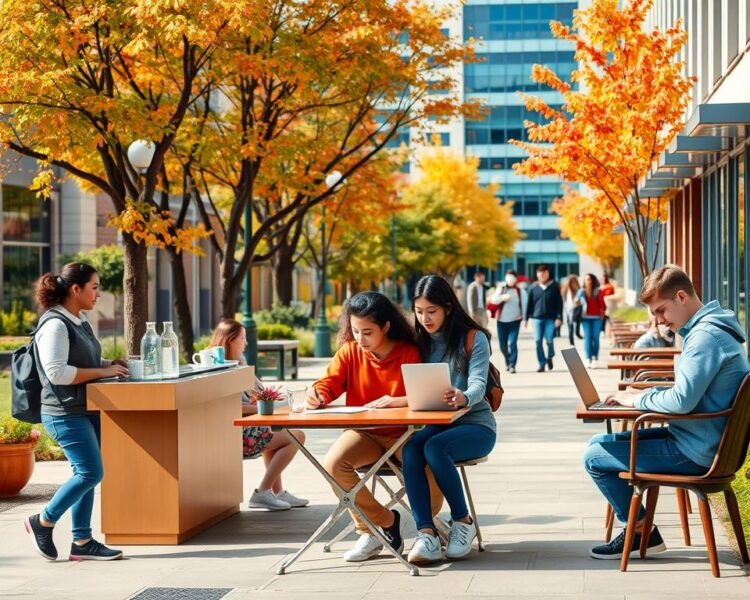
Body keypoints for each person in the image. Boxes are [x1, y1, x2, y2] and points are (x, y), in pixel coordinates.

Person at [583, 264, 750, 560]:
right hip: (701, 439)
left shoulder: (704, 338)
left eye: (661, 310)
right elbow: (689, 393)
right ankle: (643, 531)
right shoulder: (712, 329)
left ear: (682, 297)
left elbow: (682, 401)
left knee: (593, 457)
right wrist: (643, 395)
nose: (659, 322)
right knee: (598, 443)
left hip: (696, 451)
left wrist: (637, 399)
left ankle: (640, 533)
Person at [306, 292, 444, 562]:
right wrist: (317, 394)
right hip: (365, 434)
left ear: (386, 327)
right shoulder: (349, 352)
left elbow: (427, 395)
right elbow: (328, 383)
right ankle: (375, 527)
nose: (359, 339)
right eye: (355, 331)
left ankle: (425, 532)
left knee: (431, 487)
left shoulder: (410, 352)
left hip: (408, 435)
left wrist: (400, 402)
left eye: (367, 332)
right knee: (334, 464)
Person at [370, 275, 497, 563]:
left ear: (448, 308)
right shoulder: (419, 342)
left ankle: (462, 522)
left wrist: (464, 396)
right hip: (438, 423)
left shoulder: (473, 338)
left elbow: (478, 382)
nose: (425, 318)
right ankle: (425, 533)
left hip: (475, 426)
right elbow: (421, 389)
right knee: (413, 447)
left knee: (434, 448)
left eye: (431, 311)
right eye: (418, 311)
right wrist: (398, 400)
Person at [24, 263, 127, 562]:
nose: (98, 294)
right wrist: (102, 371)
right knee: (90, 472)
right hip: (63, 413)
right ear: (75, 289)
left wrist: (112, 365)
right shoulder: (55, 324)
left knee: (87, 475)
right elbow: (57, 372)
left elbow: (86, 359)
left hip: (85, 407)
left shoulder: (78, 320)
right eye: (94, 287)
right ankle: (42, 520)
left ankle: (82, 541)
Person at [209, 319, 308, 511]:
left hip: (246, 428)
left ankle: (276, 492)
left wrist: (270, 397)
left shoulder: (239, 363)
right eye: (242, 338)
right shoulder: (219, 367)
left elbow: (257, 393)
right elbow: (226, 405)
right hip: (234, 433)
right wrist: (261, 408)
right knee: (297, 436)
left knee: (277, 431)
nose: (246, 343)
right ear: (230, 340)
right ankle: (263, 492)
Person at [525, 264, 563, 372]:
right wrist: (526, 318)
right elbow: (529, 303)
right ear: (537, 275)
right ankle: (542, 363)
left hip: (550, 319)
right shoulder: (533, 287)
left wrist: (559, 317)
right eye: (541, 274)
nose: (543, 276)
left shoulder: (554, 286)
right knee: (538, 341)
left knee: (549, 340)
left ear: (547, 274)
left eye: (545, 274)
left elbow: (559, 303)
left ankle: (550, 356)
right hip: (537, 318)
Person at [490, 269, 527, 374]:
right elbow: (493, 300)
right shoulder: (501, 289)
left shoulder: (521, 291)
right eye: (508, 277)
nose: (510, 279)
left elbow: (524, 305)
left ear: (516, 279)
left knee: (512, 343)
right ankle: (507, 360)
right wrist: (503, 297)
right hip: (501, 321)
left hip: (515, 321)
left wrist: (525, 319)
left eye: (512, 277)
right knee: (503, 345)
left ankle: (512, 365)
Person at [577, 274, 607, 368]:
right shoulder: (581, 292)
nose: (588, 281)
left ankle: (594, 358)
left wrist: (601, 313)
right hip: (585, 318)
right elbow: (576, 302)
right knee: (587, 337)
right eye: (586, 279)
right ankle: (587, 358)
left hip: (596, 318)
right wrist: (577, 301)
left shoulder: (598, 291)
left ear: (593, 281)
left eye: (590, 279)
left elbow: (603, 305)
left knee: (595, 337)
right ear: (584, 281)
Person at [562, 274, 582, 345]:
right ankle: (571, 342)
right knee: (570, 326)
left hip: (577, 309)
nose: (573, 283)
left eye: (574, 281)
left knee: (577, 323)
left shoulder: (579, 290)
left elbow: (581, 300)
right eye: (571, 281)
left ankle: (577, 333)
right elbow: (563, 300)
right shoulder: (566, 290)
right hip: (568, 310)